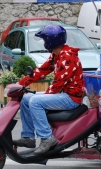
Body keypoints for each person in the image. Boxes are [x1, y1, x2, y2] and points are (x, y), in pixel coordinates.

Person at [13, 24, 85, 155]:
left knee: (35, 101)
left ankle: (47, 138)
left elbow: (57, 84)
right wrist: (20, 84)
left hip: (71, 98)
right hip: (63, 95)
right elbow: (41, 71)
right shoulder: (56, 55)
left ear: (52, 41)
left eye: (45, 40)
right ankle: (28, 137)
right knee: (26, 98)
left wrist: (43, 97)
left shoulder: (68, 57)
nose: (44, 43)